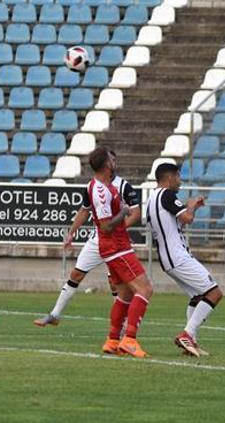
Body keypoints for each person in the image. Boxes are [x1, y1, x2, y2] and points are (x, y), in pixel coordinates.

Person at [34, 150, 141, 327]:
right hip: (97, 239)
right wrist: (71, 233)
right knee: (76, 274)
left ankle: (122, 326)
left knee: (116, 283)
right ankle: (54, 314)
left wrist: (119, 230)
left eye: (115, 159)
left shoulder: (123, 186)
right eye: (111, 160)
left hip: (115, 242)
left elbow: (136, 214)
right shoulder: (94, 186)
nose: (114, 163)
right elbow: (85, 210)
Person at [146, 163, 222, 356]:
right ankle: (187, 334)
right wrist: (190, 206)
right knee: (214, 293)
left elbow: (177, 222)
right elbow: (187, 218)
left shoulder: (151, 198)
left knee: (197, 296)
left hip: (168, 258)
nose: (180, 182)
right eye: (178, 177)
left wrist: (191, 207)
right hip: (177, 255)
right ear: (169, 178)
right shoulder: (167, 194)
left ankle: (191, 343)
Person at [85, 147, 153, 358]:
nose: (115, 162)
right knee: (145, 289)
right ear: (107, 164)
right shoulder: (101, 191)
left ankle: (113, 339)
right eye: (111, 160)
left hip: (114, 247)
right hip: (116, 247)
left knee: (124, 295)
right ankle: (130, 339)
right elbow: (105, 227)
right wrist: (124, 212)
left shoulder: (100, 186)